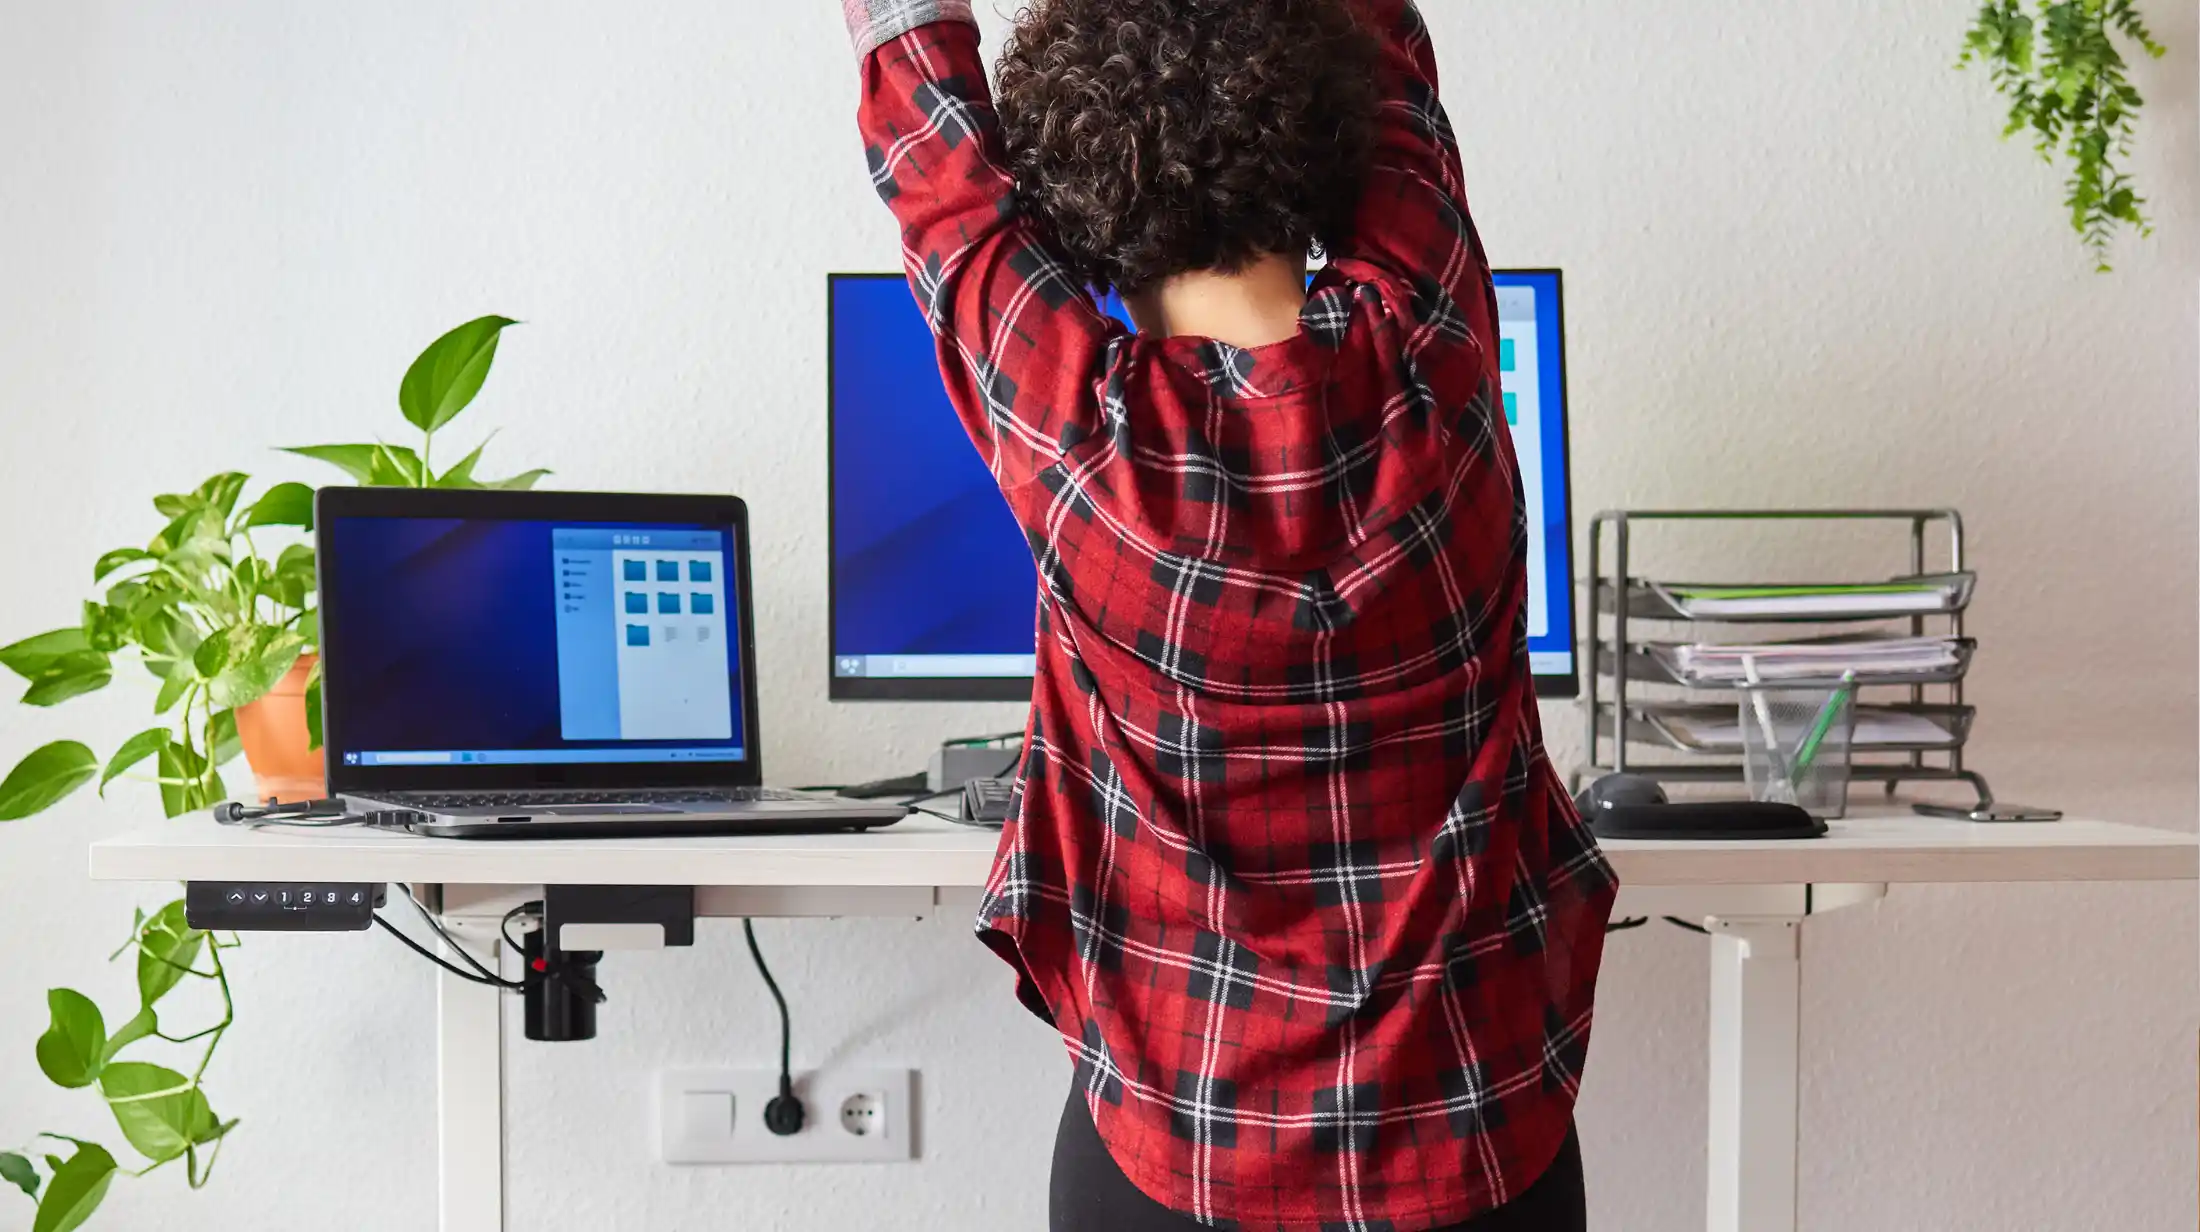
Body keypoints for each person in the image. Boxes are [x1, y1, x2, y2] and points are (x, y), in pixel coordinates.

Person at [839, 0, 1618, 1227]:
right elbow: (1396, 80)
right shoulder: (1436, 346)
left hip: (1178, 1154)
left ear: (1068, 211)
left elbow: (949, 195)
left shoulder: (1080, 443)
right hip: (1481, 1146)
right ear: (1327, 142)